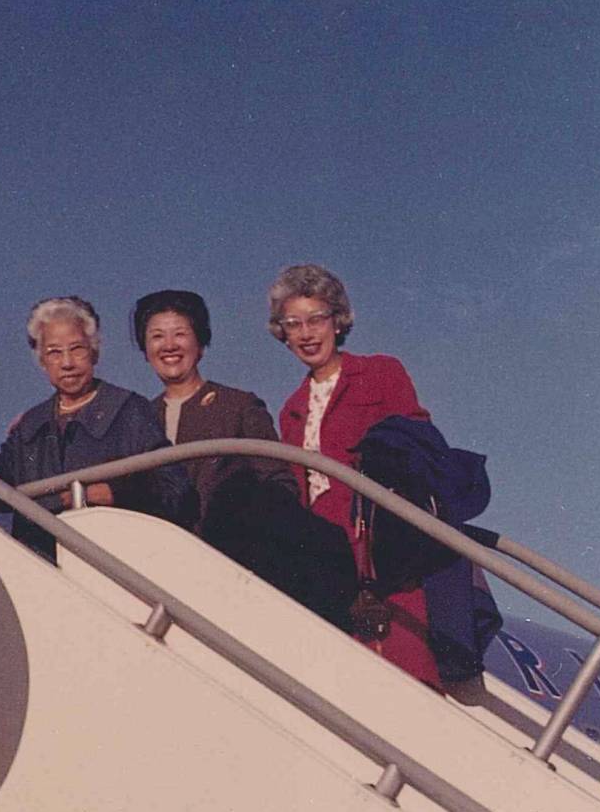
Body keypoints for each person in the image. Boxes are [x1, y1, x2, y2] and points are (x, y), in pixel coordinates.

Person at [269, 263, 441, 687]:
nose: (306, 333)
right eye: (293, 324)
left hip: (383, 547)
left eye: (316, 319)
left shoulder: (381, 373)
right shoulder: (291, 409)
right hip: (325, 556)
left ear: (338, 321)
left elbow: (418, 446)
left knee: (406, 671)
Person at [0, 296, 193, 562]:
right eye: (54, 352)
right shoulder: (30, 425)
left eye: (77, 349)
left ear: (94, 352)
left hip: (116, 565)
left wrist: (116, 495)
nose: (67, 363)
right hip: (41, 569)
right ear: (41, 361)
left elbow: (178, 493)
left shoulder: (129, 410)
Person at [130, 289, 297, 529]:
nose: (169, 345)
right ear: (145, 349)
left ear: (200, 343)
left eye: (180, 334)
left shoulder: (238, 406)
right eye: (157, 336)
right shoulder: (139, 418)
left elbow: (281, 486)